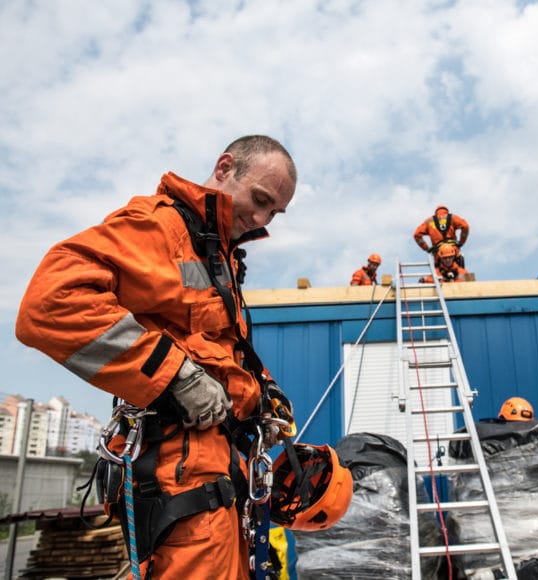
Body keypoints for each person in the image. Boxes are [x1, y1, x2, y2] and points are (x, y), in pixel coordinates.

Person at [14, 135, 330, 579]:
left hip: (219, 476)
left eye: (274, 212)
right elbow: (49, 303)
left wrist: (263, 394)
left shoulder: (215, 256)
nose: (261, 219)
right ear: (225, 168)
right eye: (259, 200)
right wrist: (175, 377)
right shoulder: (161, 227)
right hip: (180, 481)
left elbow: (214, 348)